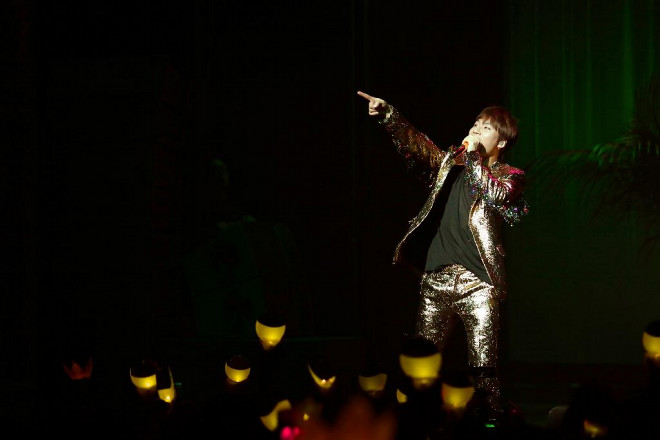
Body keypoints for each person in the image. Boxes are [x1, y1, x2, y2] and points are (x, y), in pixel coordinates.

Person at [357, 90, 529, 414]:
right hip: (435, 279)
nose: (476, 130)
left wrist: (474, 157)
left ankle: (489, 422)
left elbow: (494, 195)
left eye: (486, 128)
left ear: (502, 142)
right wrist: (389, 116)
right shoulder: (450, 164)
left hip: (478, 284)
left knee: (483, 371)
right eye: (475, 124)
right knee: (420, 365)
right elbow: (417, 146)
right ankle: (419, 421)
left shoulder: (510, 176)